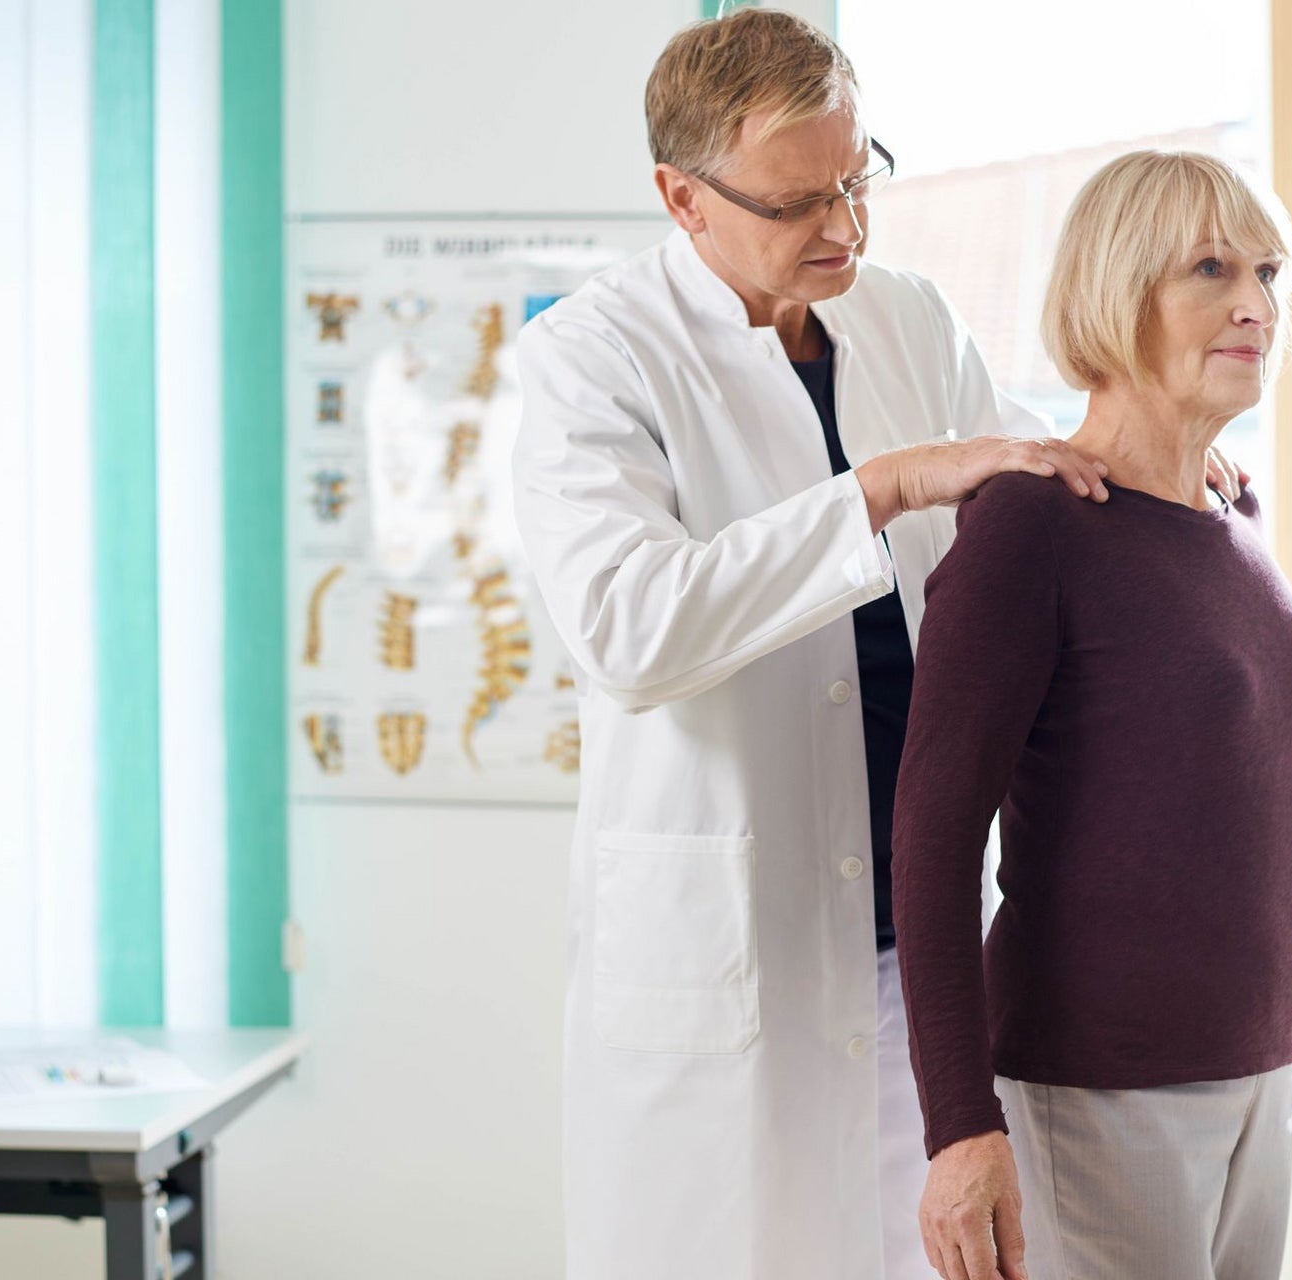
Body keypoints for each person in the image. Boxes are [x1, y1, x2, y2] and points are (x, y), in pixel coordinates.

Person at [511, 13, 1246, 1279]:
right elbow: (629, 626)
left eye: (859, 179)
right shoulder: (593, 359)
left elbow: (1038, 477)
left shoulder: (904, 318)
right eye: (799, 202)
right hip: (727, 948)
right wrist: (886, 486)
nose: (844, 225)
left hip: (922, 936)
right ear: (680, 199)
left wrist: (1166, 455)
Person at [891, 150, 1292, 1280]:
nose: (1255, 305)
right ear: (1118, 291)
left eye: (1268, 271)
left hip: (1249, 1073)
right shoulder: (1034, 525)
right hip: (1093, 1089)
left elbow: (1229, 821)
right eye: (1210, 268)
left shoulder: (1232, 512)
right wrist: (958, 1124)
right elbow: (930, 837)